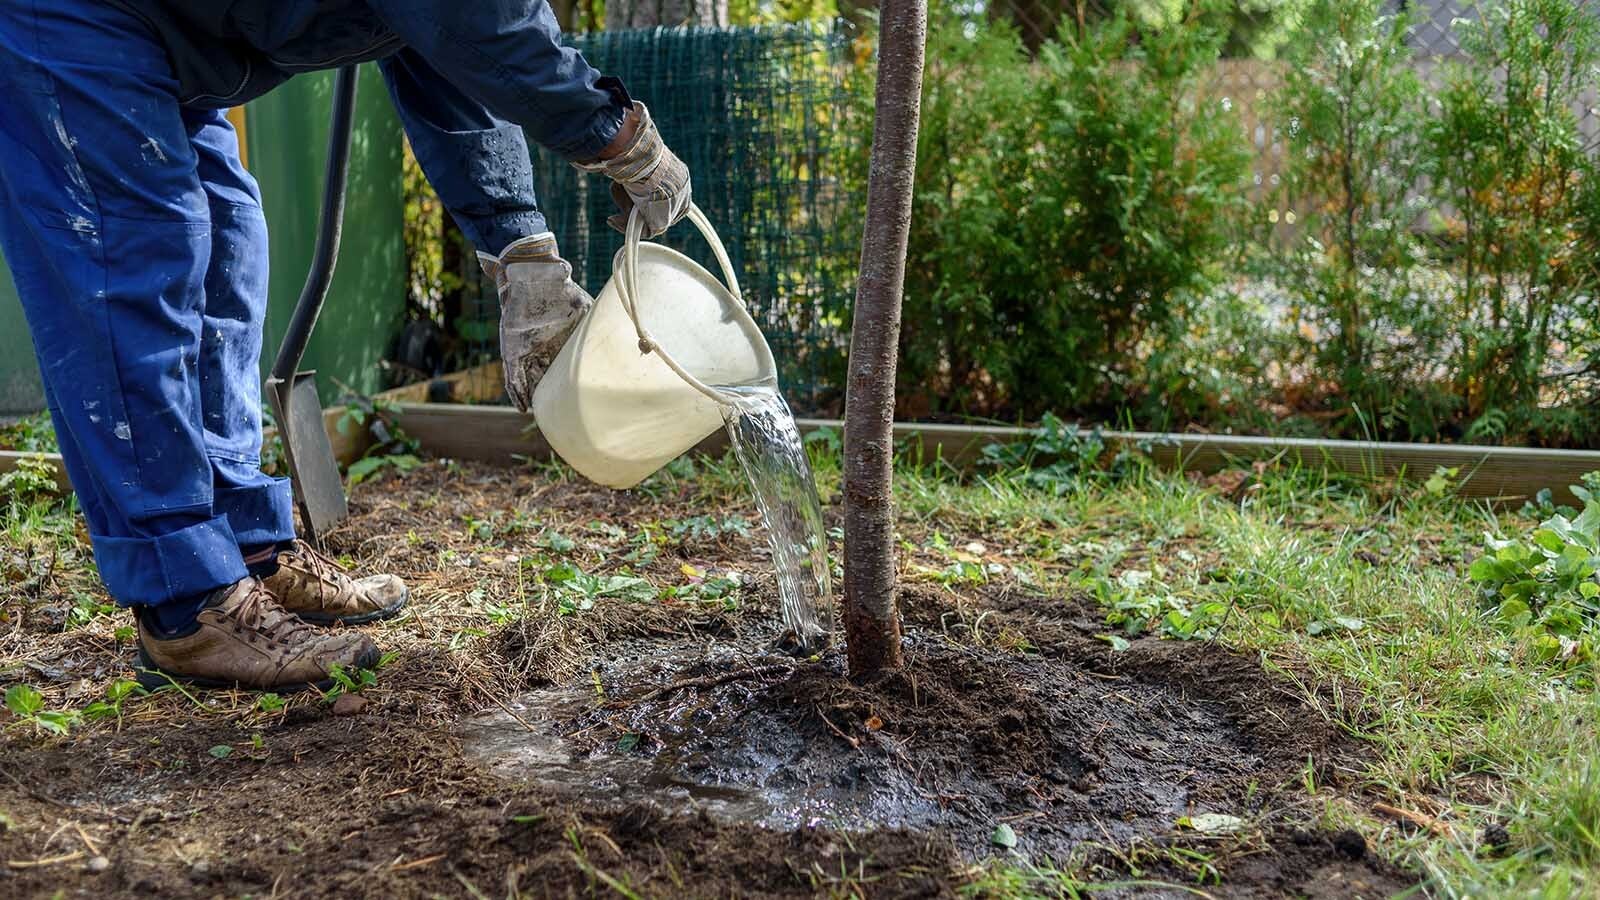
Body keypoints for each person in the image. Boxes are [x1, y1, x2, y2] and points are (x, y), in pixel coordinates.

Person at [0, 1, 691, 692]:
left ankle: (248, 547)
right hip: (74, 21)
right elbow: (479, 20)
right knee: (137, 265)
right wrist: (615, 133)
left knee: (230, 243)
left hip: (179, 35)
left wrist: (519, 245)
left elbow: (444, 50)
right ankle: (186, 602)